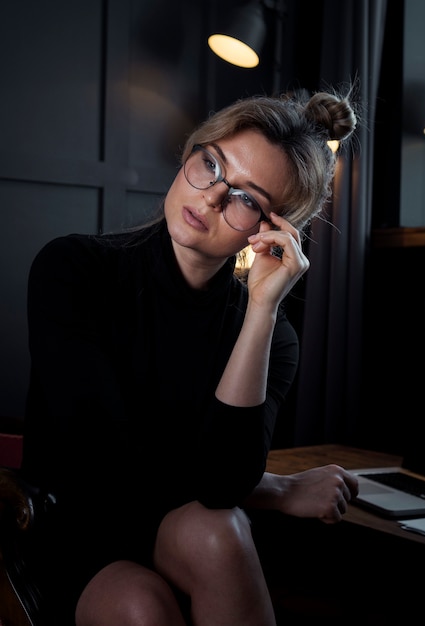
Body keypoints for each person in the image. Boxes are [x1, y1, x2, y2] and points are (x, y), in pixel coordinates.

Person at [21, 87, 359, 626]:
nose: (209, 200)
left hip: (177, 524)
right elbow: (101, 460)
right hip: (72, 521)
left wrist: (261, 310)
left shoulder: (275, 336)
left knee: (219, 529)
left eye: (247, 199)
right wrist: (274, 490)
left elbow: (223, 486)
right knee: (142, 605)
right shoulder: (74, 269)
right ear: (188, 156)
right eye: (211, 165)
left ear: (272, 230)